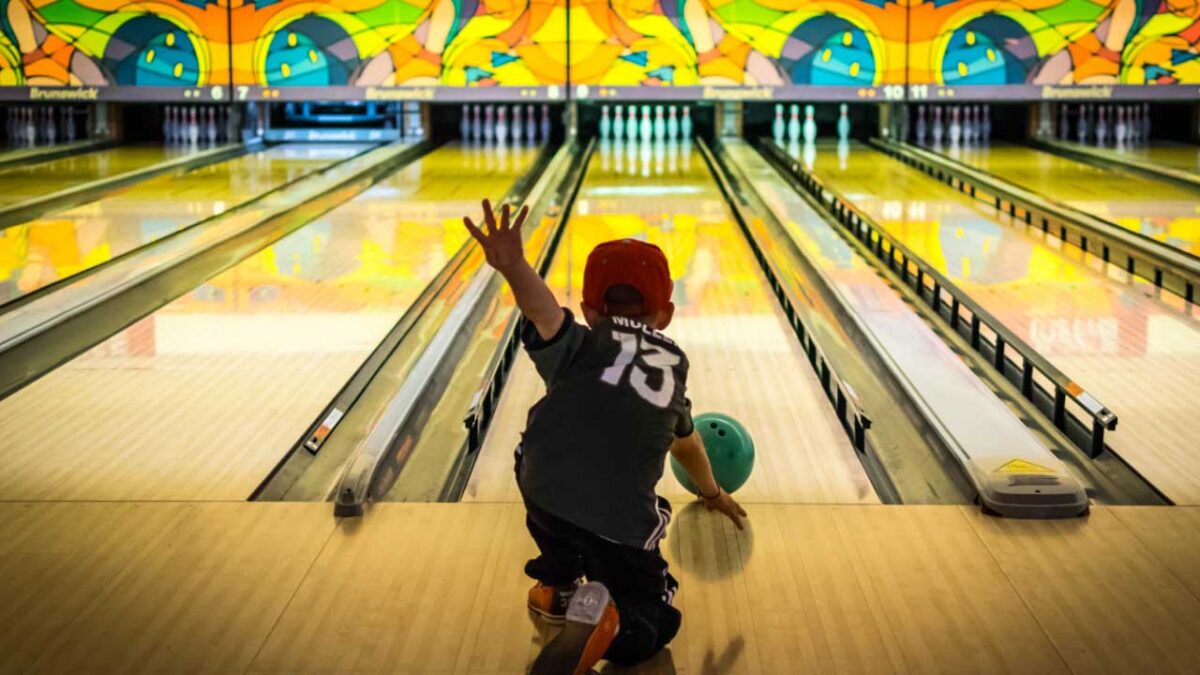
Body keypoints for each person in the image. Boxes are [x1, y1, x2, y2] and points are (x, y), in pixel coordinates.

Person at [464, 200, 747, 674]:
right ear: (667, 314)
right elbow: (688, 444)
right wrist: (712, 493)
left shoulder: (579, 341)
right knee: (657, 620)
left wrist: (513, 266)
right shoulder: (673, 367)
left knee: (533, 455)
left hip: (545, 490)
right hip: (620, 518)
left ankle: (558, 584)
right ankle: (613, 622)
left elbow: (543, 311)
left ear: (589, 310)